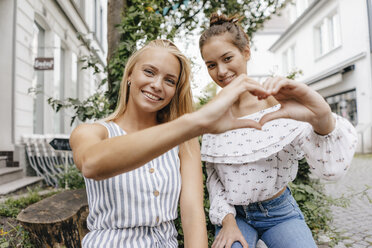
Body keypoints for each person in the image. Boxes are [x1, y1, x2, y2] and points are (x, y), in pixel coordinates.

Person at [70, 39, 269, 247]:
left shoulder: (185, 141)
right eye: (149, 72)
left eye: (169, 81)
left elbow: (192, 213)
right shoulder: (91, 132)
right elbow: (91, 164)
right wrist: (194, 122)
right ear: (129, 75)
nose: (157, 85)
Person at [199, 13, 358, 248]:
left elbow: (331, 170)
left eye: (227, 58)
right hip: (235, 217)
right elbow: (215, 178)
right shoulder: (213, 114)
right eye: (211, 65)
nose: (221, 71)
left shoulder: (278, 104)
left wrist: (322, 117)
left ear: (246, 52)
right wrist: (227, 220)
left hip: (281, 212)